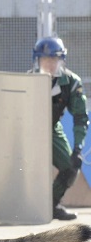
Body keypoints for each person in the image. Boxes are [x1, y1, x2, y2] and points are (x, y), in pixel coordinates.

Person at [32, 36, 88, 220]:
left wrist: (78, 147)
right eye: (44, 59)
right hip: (27, 130)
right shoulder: (27, 80)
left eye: (53, 59)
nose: (48, 64)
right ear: (37, 60)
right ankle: (19, 208)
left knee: (71, 167)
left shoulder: (71, 83)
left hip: (51, 129)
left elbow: (80, 117)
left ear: (61, 60)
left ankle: (50, 206)